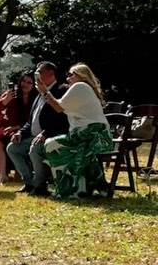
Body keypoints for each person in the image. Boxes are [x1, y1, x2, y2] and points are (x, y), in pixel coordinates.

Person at [39, 63, 113, 199]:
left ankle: (69, 189)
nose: (68, 79)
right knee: (61, 145)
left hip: (93, 136)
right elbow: (62, 105)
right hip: (94, 136)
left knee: (51, 145)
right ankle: (82, 188)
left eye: (71, 75)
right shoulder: (84, 88)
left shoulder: (80, 87)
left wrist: (45, 91)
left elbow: (58, 107)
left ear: (81, 76)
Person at [6, 61, 69, 196]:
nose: (37, 75)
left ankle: (40, 186)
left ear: (50, 73)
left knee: (35, 151)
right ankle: (30, 183)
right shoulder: (39, 93)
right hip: (34, 136)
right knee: (13, 148)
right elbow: (32, 120)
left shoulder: (60, 91)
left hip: (52, 136)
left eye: (40, 72)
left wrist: (45, 134)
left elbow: (62, 119)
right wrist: (20, 133)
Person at [0, 71, 37, 184]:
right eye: (23, 81)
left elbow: (32, 120)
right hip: (8, 125)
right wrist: (5, 101)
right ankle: (2, 175)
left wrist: (16, 128)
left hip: (25, 127)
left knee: (17, 139)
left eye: (29, 82)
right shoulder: (12, 93)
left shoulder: (36, 98)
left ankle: (19, 174)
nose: (25, 84)